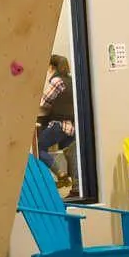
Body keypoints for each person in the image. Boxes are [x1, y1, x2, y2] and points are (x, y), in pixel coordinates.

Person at [36, 54, 77, 194]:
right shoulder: (72, 81)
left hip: (59, 124)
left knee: (38, 148)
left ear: (52, 67)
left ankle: (61, 174)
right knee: (71, 153)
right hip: (71, 126)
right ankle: (77, 188)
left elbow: (44, 101)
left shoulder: (57, 81)